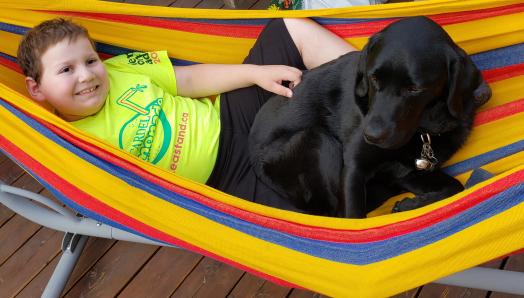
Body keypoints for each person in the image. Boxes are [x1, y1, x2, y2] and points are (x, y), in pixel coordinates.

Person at [17, 17, 355, 211]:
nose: (87, 74)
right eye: (66, 70)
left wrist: (254, 73)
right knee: (320, 220)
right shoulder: (70, 145)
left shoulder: (118, 69)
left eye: (90, 60)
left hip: (229, 115)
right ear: (37, 89)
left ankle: (381, 89)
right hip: (224, 180)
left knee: (290, 27)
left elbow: (189, 78)